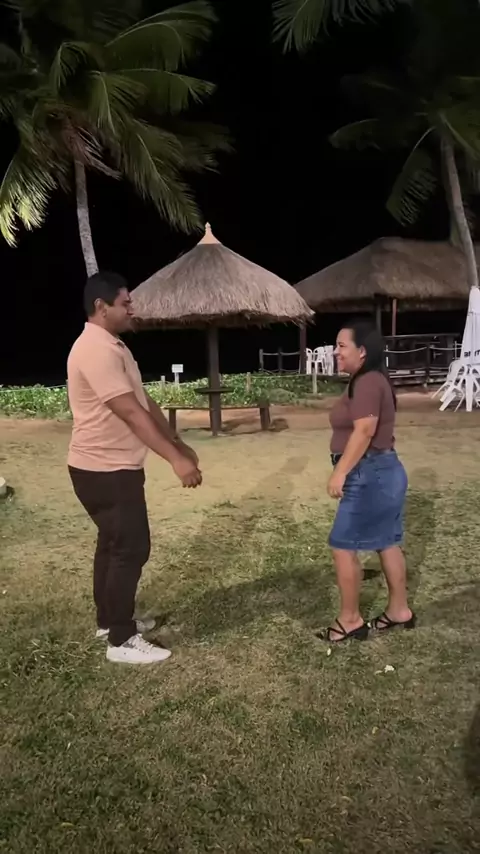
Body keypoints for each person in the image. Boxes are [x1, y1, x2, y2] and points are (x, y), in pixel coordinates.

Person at [67, 271, 202, 665]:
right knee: (131, 547)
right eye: (125, 303)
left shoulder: (114, 346)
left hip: (111, 467)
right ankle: (121, 640)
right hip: (103, 469)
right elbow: (128, 412)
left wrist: (176, 441)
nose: (131, 308)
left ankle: (109, 622)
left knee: (113, 546)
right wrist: (175, 459)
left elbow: (143, 402)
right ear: (101, 306)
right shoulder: (95, 349)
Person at [320, 321, 415, 643]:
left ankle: (350, 619)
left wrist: (340, 472)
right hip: (381, 470)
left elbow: (364, 431)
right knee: (386, 541)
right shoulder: (368, 380)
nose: (335, 352)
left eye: (341, 346)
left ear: (362, 351)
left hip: (369, 473)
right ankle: (399, 610)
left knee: (342, 546)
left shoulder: (367, 382)